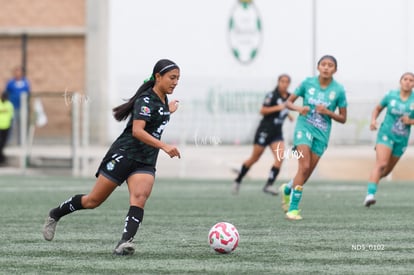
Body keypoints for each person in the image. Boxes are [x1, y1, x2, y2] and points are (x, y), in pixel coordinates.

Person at [42, 59, 181, 255]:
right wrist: (165, 146)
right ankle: (55, 214)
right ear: (158, 77)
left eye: (178, 79)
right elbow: (138, 131)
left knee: (139, 198)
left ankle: (124, 243)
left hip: (145, 160)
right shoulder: (145, 100)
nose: (175, 82)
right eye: (172, 78)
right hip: (123, 154)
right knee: (93, 201)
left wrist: (168, 111)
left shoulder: (163, 101)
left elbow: (156, 119)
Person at [280, 55, 347, 220]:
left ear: (335, 70)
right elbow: (288, 102)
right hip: (304, 128)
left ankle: (287, 189)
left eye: (330, 65)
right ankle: (293, 209)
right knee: (304, 167)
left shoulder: (338, 90)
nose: (326, 67)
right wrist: (298, 108)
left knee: (306, 173)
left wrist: (328, 112)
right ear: (318, 67)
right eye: (323, 64)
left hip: (322, 134)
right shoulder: (307, 83)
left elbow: (343, 118)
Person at [232, 74, 293, 195]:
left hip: (277, 133)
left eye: (287, 82)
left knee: (280, 157)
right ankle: (238, 179)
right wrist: (278, 108)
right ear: (278, 82)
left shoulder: (290, 97)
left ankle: (269, 185)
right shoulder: (272, 95)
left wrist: (289, 115)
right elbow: (263, 110)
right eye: (282, 81)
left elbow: (286, 109)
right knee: (254, 158)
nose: (284, 84)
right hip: (264, 131)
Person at [364, 72, 414, 207]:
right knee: (381, 164)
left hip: (402, 139)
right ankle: (370, 195)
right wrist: (373, 121)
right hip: (385, 134)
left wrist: (410, 121)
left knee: (385, 172)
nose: (408, 82)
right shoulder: (391, 95)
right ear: (401, 81)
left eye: (411, 80)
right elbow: (378, 108)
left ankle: (372, 180)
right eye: (405, 79)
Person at [5, 66, 30, 145]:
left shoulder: (25, 83)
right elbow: (6, 93)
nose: (17, 73)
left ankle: (22, 142)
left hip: (22, 107)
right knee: (11, 125)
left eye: (19, 72)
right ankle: (7, 141)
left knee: (22, 125)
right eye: (16, 72)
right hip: (12, 107)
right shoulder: (11, 83)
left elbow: (28, 93)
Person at [0, 91, 14, 164]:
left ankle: (1, 157)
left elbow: (11, 116)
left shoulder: (9, 105)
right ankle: (1, 157)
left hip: (6, 126)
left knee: (3, 142)